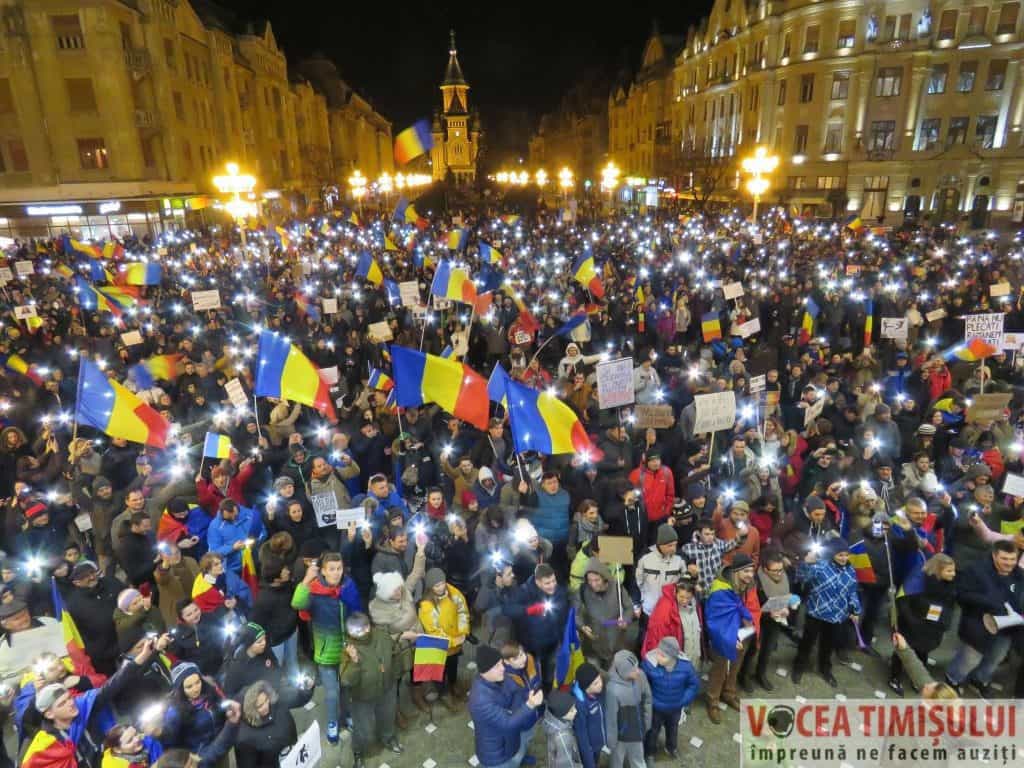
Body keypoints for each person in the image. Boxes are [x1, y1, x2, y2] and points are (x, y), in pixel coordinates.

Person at [21, 638, 159, 768]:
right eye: (62, 703)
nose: (70, 703)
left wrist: (141, 658)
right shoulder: (48, 744)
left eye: (69, 698)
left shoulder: (82, 707)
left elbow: (112, 685)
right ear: (50, 714)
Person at [289, 551, 362, 743]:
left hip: (347, 649)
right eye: (331, 569)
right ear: (322, 571)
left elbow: (357, 614)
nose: (336, 573)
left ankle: (347, 715)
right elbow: (297, 603)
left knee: (346, 687)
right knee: (331, 693)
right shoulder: (314, 590)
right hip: (326, 651)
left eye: (339, 568)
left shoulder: (348, 586)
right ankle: (332, 722)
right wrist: (306, 580)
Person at [945, 540, 1024, 697]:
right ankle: (953, 680)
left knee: (995, 658)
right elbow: (962, 595)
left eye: (1012, 559)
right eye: (1004, 559)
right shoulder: (976, 570)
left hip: (1008, 629)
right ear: (994, 556)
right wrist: (992, 604)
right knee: (970, 659)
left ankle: (979, 679)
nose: (1009, 564)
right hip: (979, 626)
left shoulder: (1019, 575)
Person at [792, 538, 862, 688]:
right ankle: (799, 666)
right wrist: (806, 563)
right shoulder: (820, 567)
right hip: (816, 613)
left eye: (846, 555)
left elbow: (852, 592)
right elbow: (800, 578)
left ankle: (825, 669)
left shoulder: (850, 571)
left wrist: (856, 609)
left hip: (837, 616)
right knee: (807, 643)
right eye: (840, 555)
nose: (844, 558)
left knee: (828, 645)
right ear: (832, 554)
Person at [339, 612, 405, 767]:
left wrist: (394, 676)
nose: (361, 633)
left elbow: (395, 654)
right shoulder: (348, 650)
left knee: (388, 718)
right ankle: (359, 751)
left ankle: (388, 739)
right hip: (362, 697)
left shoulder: (382, 637)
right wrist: (354, 661)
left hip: (386, 689)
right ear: (349, 632)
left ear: (369, 626)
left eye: (364, 628)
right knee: (364, 729)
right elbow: (346, 680)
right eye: (356, 631)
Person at [889, 553, 957, 695]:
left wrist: (944, 623)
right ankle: (894, 677)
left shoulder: (949, 586)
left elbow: (949, 607)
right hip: (913, 625)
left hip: (931, 628)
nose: (953, 574)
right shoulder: (918, 580)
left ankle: (918, 681)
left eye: (953, 570)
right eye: (949, 571)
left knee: (923, 653)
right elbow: (903, 602)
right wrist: (912, 622)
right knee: (902, 651)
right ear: (938, 569)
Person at [469, 644, 543, 768]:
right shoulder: (480, 701)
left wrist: (516, 711)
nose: (503, 668)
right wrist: (529, 705)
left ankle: (520, 759)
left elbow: (516, 691)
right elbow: (508, 725)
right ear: (485, 671)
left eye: (501, 663)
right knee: (509, 763)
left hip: (511, 738)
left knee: (519, 750)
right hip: (497, 755)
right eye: (497, 666)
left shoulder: (499, 677)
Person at [704, 554, 756, 723]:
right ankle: (712, 700)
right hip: (724, 636)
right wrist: (730, 639)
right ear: (736, 571)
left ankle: (729, 693)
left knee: (736, 664)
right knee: (719, 667)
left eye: (752, 570)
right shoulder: (719, 591)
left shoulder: (741, 584)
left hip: (741, 632)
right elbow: (714, 622)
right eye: (746, 571)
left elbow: (739, 606)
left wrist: (747, 628)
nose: (750, 574)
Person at [503, 563, 569, 690]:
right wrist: (527, 610)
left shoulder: (559, 591)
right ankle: (532, 693)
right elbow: (507, 609)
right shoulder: (524, 591)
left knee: (548, 673)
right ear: (538, 582)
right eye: (547, 583)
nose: (552, 585)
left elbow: (563, 615)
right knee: (530, 674)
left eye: (553, 581)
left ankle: (547, 692)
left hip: (551, 643)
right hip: (530, 645)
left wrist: (563, 636)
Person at [161, 662, 240, 764]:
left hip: (223, 744)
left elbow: (220, 706)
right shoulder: (175, 714)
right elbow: (171, 744)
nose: (195, 689)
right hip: (201, 758)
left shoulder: (210, 690)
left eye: (198, 682)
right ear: (180, 689)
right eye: (189, 687)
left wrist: (227, 709)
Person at [418, 567, 470, 708]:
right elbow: (433, 631)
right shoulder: (426, 605)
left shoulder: (453, 592)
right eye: (437, 585)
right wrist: (454, 641)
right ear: (430, 586)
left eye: (442, 583)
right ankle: (443, 693)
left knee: (453, 665)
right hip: (439, 647)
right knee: (439, 671)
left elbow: (462, 611)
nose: (441, 587)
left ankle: (453, 685)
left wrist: (463, 631)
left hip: (455, 642)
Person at [739, 550, 791, 692]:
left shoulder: (784, 576)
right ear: (764, 568)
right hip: (757, 620)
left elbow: (786, 595)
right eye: (774, 571)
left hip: (776, 619)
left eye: (781, 570)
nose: (779, 574)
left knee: (768, 649)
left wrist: (786, 608)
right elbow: (750, 605)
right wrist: (768, 612)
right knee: (752, 649)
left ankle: (760, 674)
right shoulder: (755, 581)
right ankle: (743, 675)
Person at [573, 557, 638, 668]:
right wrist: (582, 626)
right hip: (593, 643)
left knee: (613, 673)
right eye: (590, 580)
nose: (593, 584)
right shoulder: (583, 590)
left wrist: (625, 620)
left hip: (616, 641)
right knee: (596, 677)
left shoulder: (618, 588)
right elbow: (575, 613)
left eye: (596, 580)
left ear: (604, 577)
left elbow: (629, 608)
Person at [235, 679, 315, 768]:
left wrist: (307, 689)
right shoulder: (244, 739)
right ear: (251, 709)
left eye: (266, 700)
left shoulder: (277, 701)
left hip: (294, 758)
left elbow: (297, 698)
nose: (266, 706)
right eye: (260, 706)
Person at [641, 637, 699, 760]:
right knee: (652, 731)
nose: (658, 657)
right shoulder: (649, 664)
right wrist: (649, 698)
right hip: (656, 707)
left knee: (673, 729)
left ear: (673, 657)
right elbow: (642, 682)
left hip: (675, 708)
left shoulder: (686, 667)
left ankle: (671, 747)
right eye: (658, 652)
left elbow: (693, 684)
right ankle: (649, 751)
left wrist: (684, 700)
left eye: (663, 656)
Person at [603, 650, 651, 768]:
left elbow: (648, 699)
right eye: (633, 670)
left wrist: (647, 722)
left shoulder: (641, 676)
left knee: (638, 760)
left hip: (637, 731)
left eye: (637, 667)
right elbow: (611, 719)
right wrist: (611, 741)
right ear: (624, 672)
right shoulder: (612, 690)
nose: (638, 671)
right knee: (617, 761)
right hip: (620, 736)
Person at [635, 524, 684, 616]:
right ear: (660, 544)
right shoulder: (645, 558)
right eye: (670, 546)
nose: (674, 549)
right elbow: (637, 581)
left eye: (675, 545)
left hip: (670, 610)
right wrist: (637, 603)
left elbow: (684, 580)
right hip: (649, 610)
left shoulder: (680, 558)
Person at [570, 663, 606, 768]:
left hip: (598, 743)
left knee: (596, 760)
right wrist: (589, 763)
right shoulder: (581, 705)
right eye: (595, 683)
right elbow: (582, 735)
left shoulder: (599, 693)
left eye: (600, 679)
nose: (600, 684)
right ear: (586, 688)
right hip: (589, 748)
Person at [543, 689, 583, 768]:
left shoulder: (552, 718)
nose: (576, 711)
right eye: (571, 710)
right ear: (561, 713)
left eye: (574, 707)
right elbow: (566, 764)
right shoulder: (563, 737)